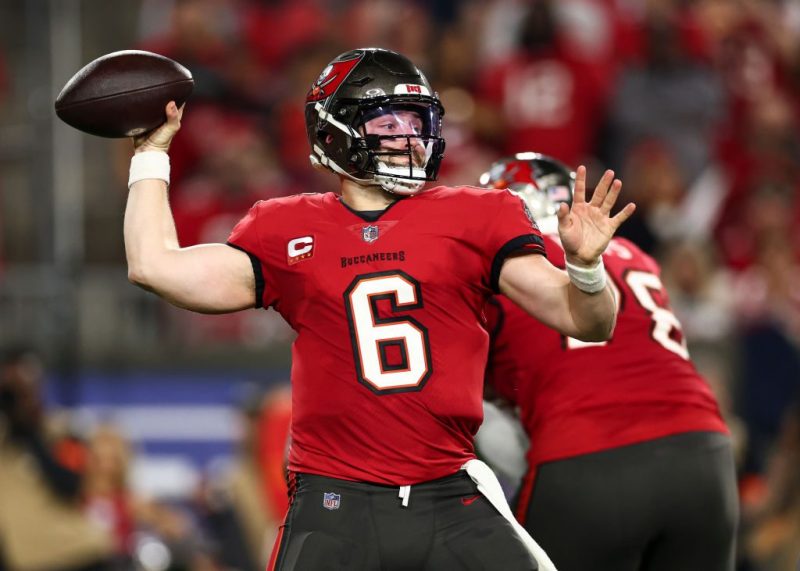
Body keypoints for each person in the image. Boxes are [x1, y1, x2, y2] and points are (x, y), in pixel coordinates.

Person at [123, 47, 634, 570]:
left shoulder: (478, 213)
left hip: (449, 494)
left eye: (417, 121)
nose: (409, 137)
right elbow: (154, 266)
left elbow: (588, 321)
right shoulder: (286, 227)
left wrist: (588, 270)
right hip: (335, 501)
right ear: (334, 132)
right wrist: (151, 155)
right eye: (388, 122)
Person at [479, 153, 738, 571]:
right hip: (702, 451)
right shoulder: (636, 254)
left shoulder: (506, 265)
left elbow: (476, 395)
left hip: (586, 458)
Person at [0, 348, 115, 571]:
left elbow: (69, 486)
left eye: (26, 389)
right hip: (26, 557)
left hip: (77, 552)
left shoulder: (61, 431)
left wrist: (31, 433)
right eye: (12, 393)